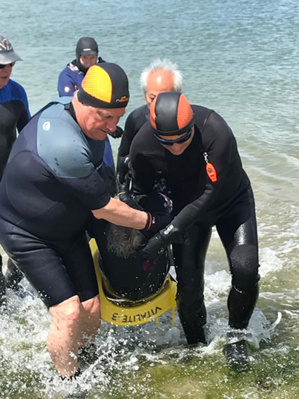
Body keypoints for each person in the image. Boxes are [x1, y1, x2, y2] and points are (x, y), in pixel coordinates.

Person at [0, 63, 170, 378]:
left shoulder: (86, 123)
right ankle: (69, 384)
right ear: (82, 99)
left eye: (117, 119)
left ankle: (86, 361)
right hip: (26, 233)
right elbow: (104, 209)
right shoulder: (65, 144)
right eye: (106, 117)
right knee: (68, 313)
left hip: (67, 227)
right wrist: (153, 222)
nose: (111, 127)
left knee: (91, 308)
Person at [129, 91, 260, 369]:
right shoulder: (141, 145)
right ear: (155, 133)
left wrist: (171, 231)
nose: (176, 147)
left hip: (231, 202)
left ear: (192, 129)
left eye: (183, 139)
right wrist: (156, 227)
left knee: (246, 269)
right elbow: (141, 194)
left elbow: (209, 193)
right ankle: (196, 346)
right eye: (167, 142)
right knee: (188, 291)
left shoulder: (215, 129)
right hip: (185, 212)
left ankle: (236, 337)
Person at [58, 36, 121, 197]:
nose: (89, 61)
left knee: (108, 177)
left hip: (101, 131)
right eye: (85, 58)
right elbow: (72, 105)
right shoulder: (68, 75)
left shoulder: (103, 72)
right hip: (77, 133)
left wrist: (111, 123)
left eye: (92, 57)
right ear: (78, 57)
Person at [116, 58, 182, 185]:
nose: (158, 105)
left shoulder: (190, 119)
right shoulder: (135, 119)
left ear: (178, 95)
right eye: (152, 98)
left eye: (165, 98)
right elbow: (122, 159)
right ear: (145, 95)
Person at [0, 34, 31, 302]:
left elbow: (29, 138)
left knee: (20, 249)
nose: (7, 70)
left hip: (10, 185)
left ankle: (12, 290)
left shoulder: (17, 93)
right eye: (1, 66)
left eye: (10, 64)